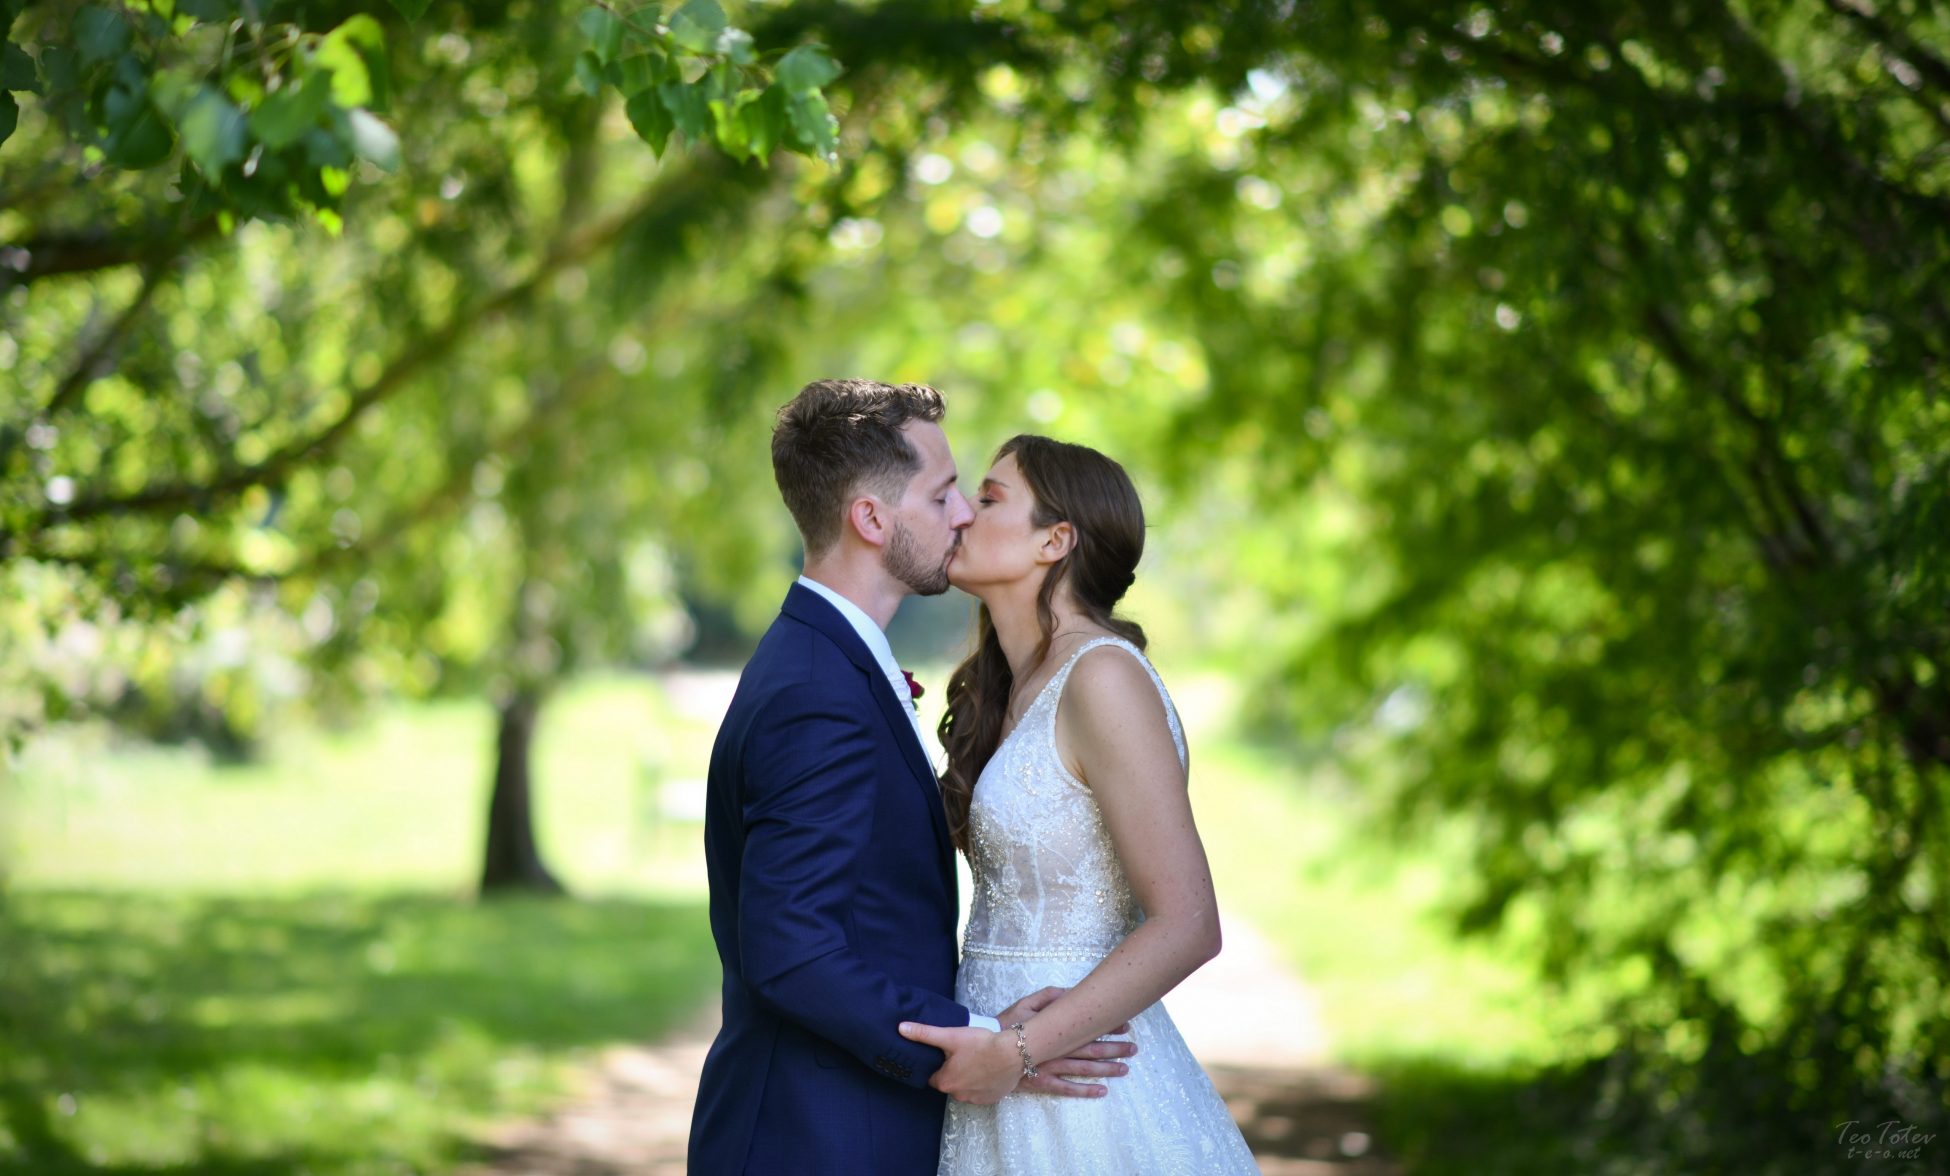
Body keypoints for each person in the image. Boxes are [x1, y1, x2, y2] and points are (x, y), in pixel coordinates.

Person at [687, 383, 1139, 1176]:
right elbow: (791, 949)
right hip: (813, 1141)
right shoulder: (817, 691)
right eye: (941, 495)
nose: (963, 514)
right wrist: (973, 1043)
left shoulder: (827, 662)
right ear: (871, 519)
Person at [897, 434, 1259, 1174]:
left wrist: (1018, 1051)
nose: (960, 512)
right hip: (995, 1067)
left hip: (1080, 1084)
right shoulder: (1008, 684)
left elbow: (1189, 923)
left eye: (989, 498)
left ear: (1055, 540)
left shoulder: (1102, 678)